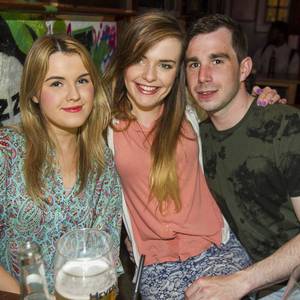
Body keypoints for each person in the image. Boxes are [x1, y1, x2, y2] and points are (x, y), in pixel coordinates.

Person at [104, 11, 282, 299]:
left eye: (165, 65)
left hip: (217, 248)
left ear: (177, 73)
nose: (150, 76)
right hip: (157, 264)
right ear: (124, 59)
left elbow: (234, 101)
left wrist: (263, 96)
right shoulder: (104, 125)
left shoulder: (192, 113)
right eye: (140, 59)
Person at [184, 14, 300, 300]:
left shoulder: (285, 126)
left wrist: (241, 282)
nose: (203, 77)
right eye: (194, 64)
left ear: (244, 68)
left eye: (218, 60)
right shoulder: (197, 138)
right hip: (250, 276)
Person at [0, 33, 123, 293]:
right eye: (56, 84)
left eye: (82, 80)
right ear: (34, 92)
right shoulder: (6, 151)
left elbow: (106, 252)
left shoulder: (102, 160)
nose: (74, 95)